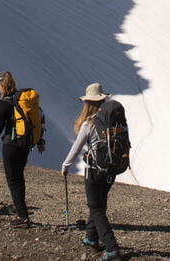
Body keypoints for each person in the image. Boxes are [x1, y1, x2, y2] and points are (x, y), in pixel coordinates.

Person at [0, 71, 45, 227]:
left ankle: (22, 216)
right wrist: (39, 141)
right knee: (19, 177)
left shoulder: (4, 103)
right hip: (26, 144)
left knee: (13, 180)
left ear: (1, 85)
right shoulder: (23, 99)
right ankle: (21, 209)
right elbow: (38, 120)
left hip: (11, 145)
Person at [61, 83, 122, 261]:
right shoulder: (113, 122)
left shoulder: (89, 124)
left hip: (94, 170)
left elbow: (76, 147)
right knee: (99, 204)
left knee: (96, 208)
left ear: (88, 103)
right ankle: (91, 238)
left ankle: (112, 248)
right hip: (111, 170)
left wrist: (66, 165)